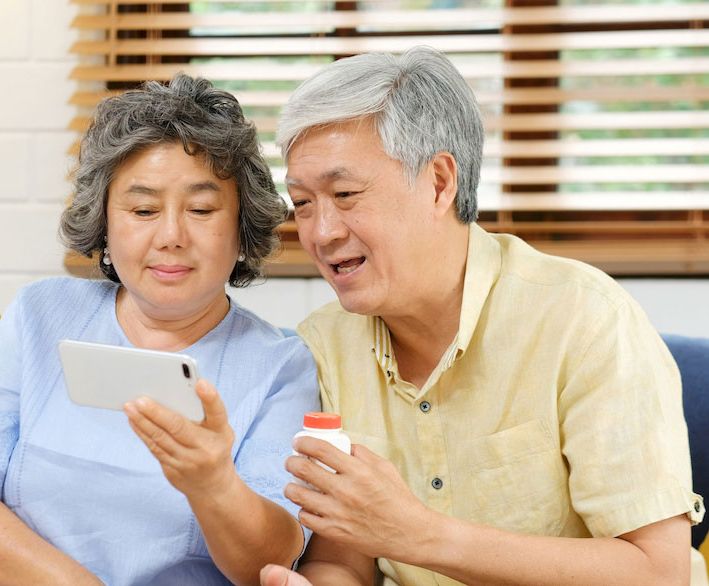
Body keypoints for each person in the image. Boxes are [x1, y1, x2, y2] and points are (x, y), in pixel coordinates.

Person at [258, 46, 704, 586]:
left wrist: (421, 535)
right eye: (303, 203)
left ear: (440, 182)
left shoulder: (584, 319)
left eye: (345, 193)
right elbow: (342, 557)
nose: (321, 232)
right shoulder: (324, 346)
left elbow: (659, 573)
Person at [0, 74, 319, 586]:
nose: (170, 236)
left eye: (202, 209)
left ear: (241, 225)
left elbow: (270, 563)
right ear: (104, 222)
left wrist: (214, 485)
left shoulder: (282, 365)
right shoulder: (41, 313)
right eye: (143, 209)